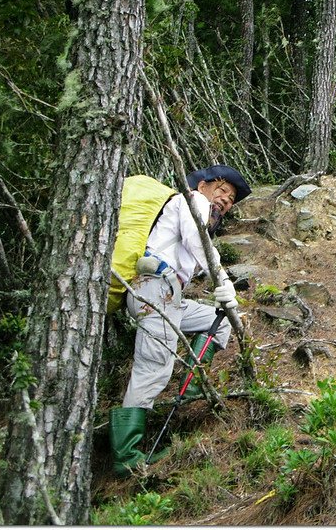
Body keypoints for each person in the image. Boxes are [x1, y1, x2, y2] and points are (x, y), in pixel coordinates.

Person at [109, 164, 251, 476]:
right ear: (204, 186)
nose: (226, 201)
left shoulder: (199, 208)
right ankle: (126, 456)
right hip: (155, 287)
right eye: (223, 191)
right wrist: (222, 279)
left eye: (230, 200)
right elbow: (198, 241)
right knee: (154, 364)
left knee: (219, 320)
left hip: (165, 294)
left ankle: (191, 385)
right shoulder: (193, 202)